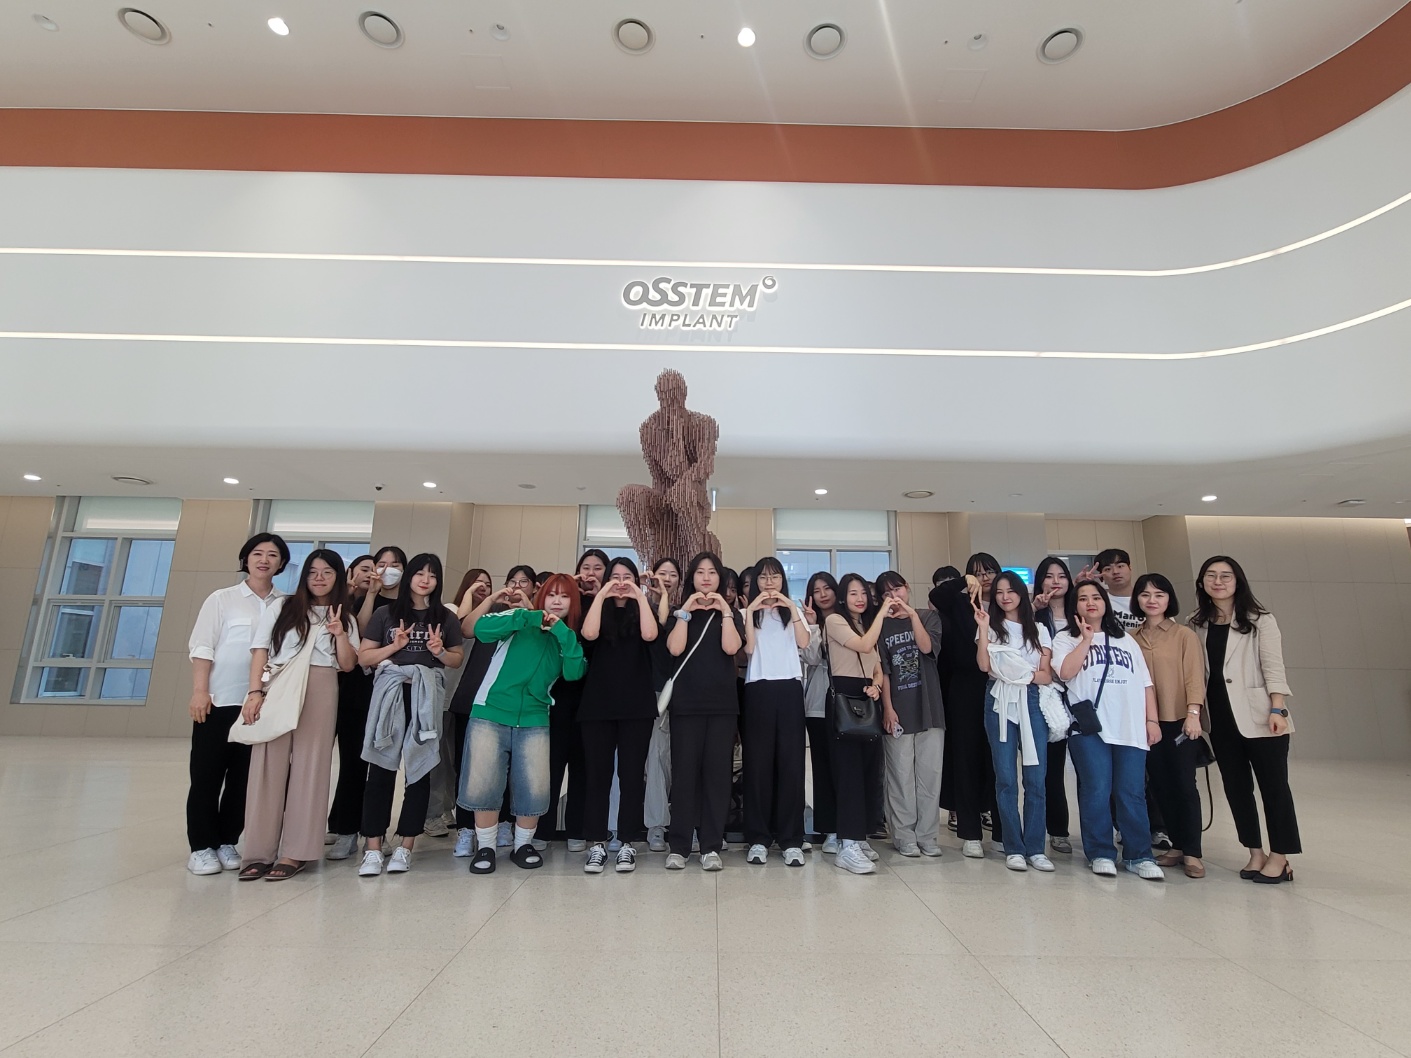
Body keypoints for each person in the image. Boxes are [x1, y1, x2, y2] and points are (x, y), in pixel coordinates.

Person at [238, 550, 360, 880]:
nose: (319, 578)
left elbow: (348, 664)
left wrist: (340, 634)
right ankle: (258, 852)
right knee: (267, 764)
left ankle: (296, 852)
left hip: (321, 683)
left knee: (311, 766)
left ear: (338, 577)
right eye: (312, 572)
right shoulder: (283, 606)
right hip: (278, 682)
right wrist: (254, 692)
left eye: (327, 572)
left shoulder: (345, 617)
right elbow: (260, 650)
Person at [462, 574, 586, 873]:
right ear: (542, 597)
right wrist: (527, 616)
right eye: (552, 594)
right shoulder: (518, 619)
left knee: (534, 786)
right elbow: (481, 629)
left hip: (534, 717)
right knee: (484, 782)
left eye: (565, 596)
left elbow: (574, 671)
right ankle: (487, 847)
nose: (557, 601)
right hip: (490, 711)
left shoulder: (567, 637)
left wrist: (561, 632)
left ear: (573, 603)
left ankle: (523, 845)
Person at [184, 532, 289, 876]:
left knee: (244, 779)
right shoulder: (222, 599)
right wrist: (200, 691)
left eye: (272, 555)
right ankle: (201, 846)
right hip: (220, 700)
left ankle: (227, 840)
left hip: (260, 705)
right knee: (206, 775)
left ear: (281, 563)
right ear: (245, 559)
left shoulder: (286, 605)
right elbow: (202, 647)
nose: (264, 560)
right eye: (257, 553)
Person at [1190, 556, 1300, 884]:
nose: (1218, 581)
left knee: (1274, 788)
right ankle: (1255, 852)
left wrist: (1277, 708)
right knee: (1237, 789)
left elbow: (1274, 667)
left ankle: (1280, 856)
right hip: (1220, 720)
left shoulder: (1260, 620)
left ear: (1238, 581)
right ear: (1202, 583)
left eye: (1226, 576)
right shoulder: (1196, 622)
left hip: (1261, 716)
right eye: (1211, 576)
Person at [356, 553, 465, 877]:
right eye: (420, 573)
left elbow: (456, 659)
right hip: (391, 694)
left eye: (432, 574)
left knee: (420, 770)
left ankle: (406, 845)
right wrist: (394, 647)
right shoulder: (386, 614)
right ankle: (373, 847)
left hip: (425, 696)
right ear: (409, 577)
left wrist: (439, 652)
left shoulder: (445, 617)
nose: (425, 579)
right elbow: (364, 657)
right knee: (380, 770)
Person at [1051, 579, 1164, 881]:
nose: (1090, 602)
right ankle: (1100, 852)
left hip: (1130, 727)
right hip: (1089, 728)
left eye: (1096, 597)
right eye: (1083, 598)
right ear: (1074, 605)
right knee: (1097, 789)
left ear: (1105, 603)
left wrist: (1152, 720)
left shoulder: (1126, 640)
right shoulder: (1065, 639)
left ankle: (1139, 855)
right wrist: (1086, 640)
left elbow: (1145, 683)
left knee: (1132, 792)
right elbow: (1065, 672)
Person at [663, 552, 745, 870]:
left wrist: (724, 609)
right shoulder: (679, 613)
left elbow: (731, 648)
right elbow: (675, 648)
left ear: (720, 579)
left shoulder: (731, 616)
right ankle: (679, 846)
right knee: (684, 776)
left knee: (717, 776)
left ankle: (711, 845)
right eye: (700, 572)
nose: (706, 578)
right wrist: (686, 610)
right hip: (686, 705)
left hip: (722, 706)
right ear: (692, 578)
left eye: (712, 572)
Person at [578, 557, 659, 873]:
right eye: (615, 576)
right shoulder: (597, 607)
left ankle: (627, 843)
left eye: (628, 576)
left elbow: (650, 635)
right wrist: (602, 593)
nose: (621, 582)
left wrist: (639, 595)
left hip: (637, 706)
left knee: (632, 775)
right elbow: (589, 634)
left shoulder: (642, 609)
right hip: (598, 704)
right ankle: (597, 844)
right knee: (597, 776)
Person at [975, 571, 1055, 872]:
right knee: (1006, 778)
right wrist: (983, 629)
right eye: (999, 592)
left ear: (1021, 593)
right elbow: (984, 665)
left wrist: (1018, 674)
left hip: (1031, 700)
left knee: (1036, 778)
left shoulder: (1039, 629)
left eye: (1010, 591)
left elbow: (1046, 675)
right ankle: (1013, 847)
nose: (1005, 597)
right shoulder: (990, 626)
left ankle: (1036, 848)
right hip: (999, 700)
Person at [1131, 573, 1207, 879]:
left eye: (1159, 594)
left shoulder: (1183, 635)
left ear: (1168, 599)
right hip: (1146, 723)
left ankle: (1193, 851)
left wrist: (1193, 713)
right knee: (1159, 786)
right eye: (1145, 594)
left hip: (1179, 721)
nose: (1152, 600)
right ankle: (1176, 845)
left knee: (1184, 785)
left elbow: (1194, 677)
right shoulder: (1131, 638)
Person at [741, 557, 810, 866]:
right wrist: (752, 609)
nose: (769, 583)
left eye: (775, 577)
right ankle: (758, 838)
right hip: (758, 688)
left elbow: (804, 642)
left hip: (790, 688)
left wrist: (791, 608)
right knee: (757, 766)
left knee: (791, 765)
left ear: (783, 580)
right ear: (755, 581)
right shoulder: (747, 613)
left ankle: (791, 839)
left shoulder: (792, 612)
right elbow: (748, 649)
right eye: (763, 577)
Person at [932, 552, 1002, 858]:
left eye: (989, 571)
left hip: (1001, 686)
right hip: (965, 686)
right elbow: (936, 595)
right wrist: (963, 581)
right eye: (978, 572)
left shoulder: (1005, 604)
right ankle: (970, 832)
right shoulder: (961, 603)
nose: (984, 577)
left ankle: (1002, 831)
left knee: (998, 760)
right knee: (965, 758)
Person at [874, 571, 946, 858]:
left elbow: (927, 647)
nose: (894, 596)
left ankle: (927, 836)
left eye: (897, 589)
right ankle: (904, 836)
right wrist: (888, 708)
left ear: (907, 588)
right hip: (898, 710)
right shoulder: (881, 626)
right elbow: (884, 671)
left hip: (930, 708)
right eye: (886, 593)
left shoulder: (928, 617)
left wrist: (913, 616)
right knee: (900, 776)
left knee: (930, 775)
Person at [824, 573, 892, 875]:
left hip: (866, 698)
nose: (860, 599)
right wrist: (882, 614)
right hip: (843, 697)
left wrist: (876, 685)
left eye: (863, 593)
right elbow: (865, 646)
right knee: (849, 773)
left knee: (867, 770)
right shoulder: (834, 621)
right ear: (843, 597)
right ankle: (847, 844)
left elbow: (876, 666)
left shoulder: (865, 624)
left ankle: (859, 836)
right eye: (853, 593)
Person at [422, 568, 494, 839]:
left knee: (458, 759)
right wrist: (468, 596)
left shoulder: (490, 619)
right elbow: (460, 624)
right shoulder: (449, 611)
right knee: (437, 759)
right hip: (444, 696)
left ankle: (448, 807)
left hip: (467, 700)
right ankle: (432, 814)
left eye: (487, 584)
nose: (482, 587)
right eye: (477, 583)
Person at [326, 553, 378, 860]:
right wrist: (347, 593)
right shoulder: (334, 603)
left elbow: (362, 632)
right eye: (364, 569)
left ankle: (350, 827)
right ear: (350, 572)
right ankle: (335, 822)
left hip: (359, 689)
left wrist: (369, 595)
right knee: (319, 762)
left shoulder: (380, 604)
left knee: (354, 762)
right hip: (326, 686)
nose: (370, 574)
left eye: (375, 569)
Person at [1033, 556, 1075, 855]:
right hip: (1048, 697)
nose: (1056, 581)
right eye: (1049, 576)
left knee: (1092, 770)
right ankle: (1058, 830)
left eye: (1061, 575)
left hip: (1082, 697)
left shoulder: (1080, 612)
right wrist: (1033, 609)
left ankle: (1111, 828)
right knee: (1052, 768)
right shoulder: (1034, 615)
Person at [644, 555, 682, 851]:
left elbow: (669, 638)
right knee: (656, 759)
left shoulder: (684, 613)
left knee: (672, 760)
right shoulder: (640, 608)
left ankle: (678, 821)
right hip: (649, 693)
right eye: (662, 574)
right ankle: (656, 825)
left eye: (672, 575)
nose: (667, 579)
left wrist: (667, 600)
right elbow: (654, 631)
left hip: (678, 694)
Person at [800, 572, 840, 850]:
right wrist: (813, 626)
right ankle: (830, 830)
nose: (823, 594)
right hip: (817, 704)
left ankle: (853, 829)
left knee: (847, 769)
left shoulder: (849, 619)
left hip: (849, 703)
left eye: (827, 588)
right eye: (817, 590)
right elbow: (811, 658)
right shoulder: (806, 623)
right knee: (823, 769)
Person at [1083, 548, 1142, 631]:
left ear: (1130, 568)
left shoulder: (1147, 599)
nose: (1115, 572)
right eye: (1108, 569)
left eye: (1120, 566)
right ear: (1101, 577)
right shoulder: (1098, 603)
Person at [357, 545, 407, 633]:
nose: (387, 570)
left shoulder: (411, 602)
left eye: (394, 566)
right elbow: (361, 631)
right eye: (382, 565)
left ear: (404, 570)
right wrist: (371, 593)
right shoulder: (362, 601)